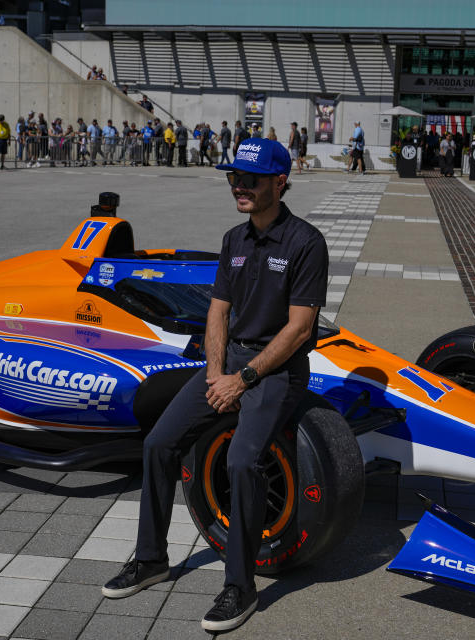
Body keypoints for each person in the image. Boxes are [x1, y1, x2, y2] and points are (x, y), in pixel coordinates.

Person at [102, 137, 328, 633]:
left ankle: (240, 587)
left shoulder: (306, 242)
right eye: (233, 178)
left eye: (249, 180)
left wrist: (244, 379)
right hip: (228, 366)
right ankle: (152, 559)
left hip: (276, 370)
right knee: (160, 444)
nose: (238, 187)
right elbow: (217, 313)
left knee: (242, 461)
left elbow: (299, 330)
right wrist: (215, 374)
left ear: (279, 182)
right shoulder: (234, 240)